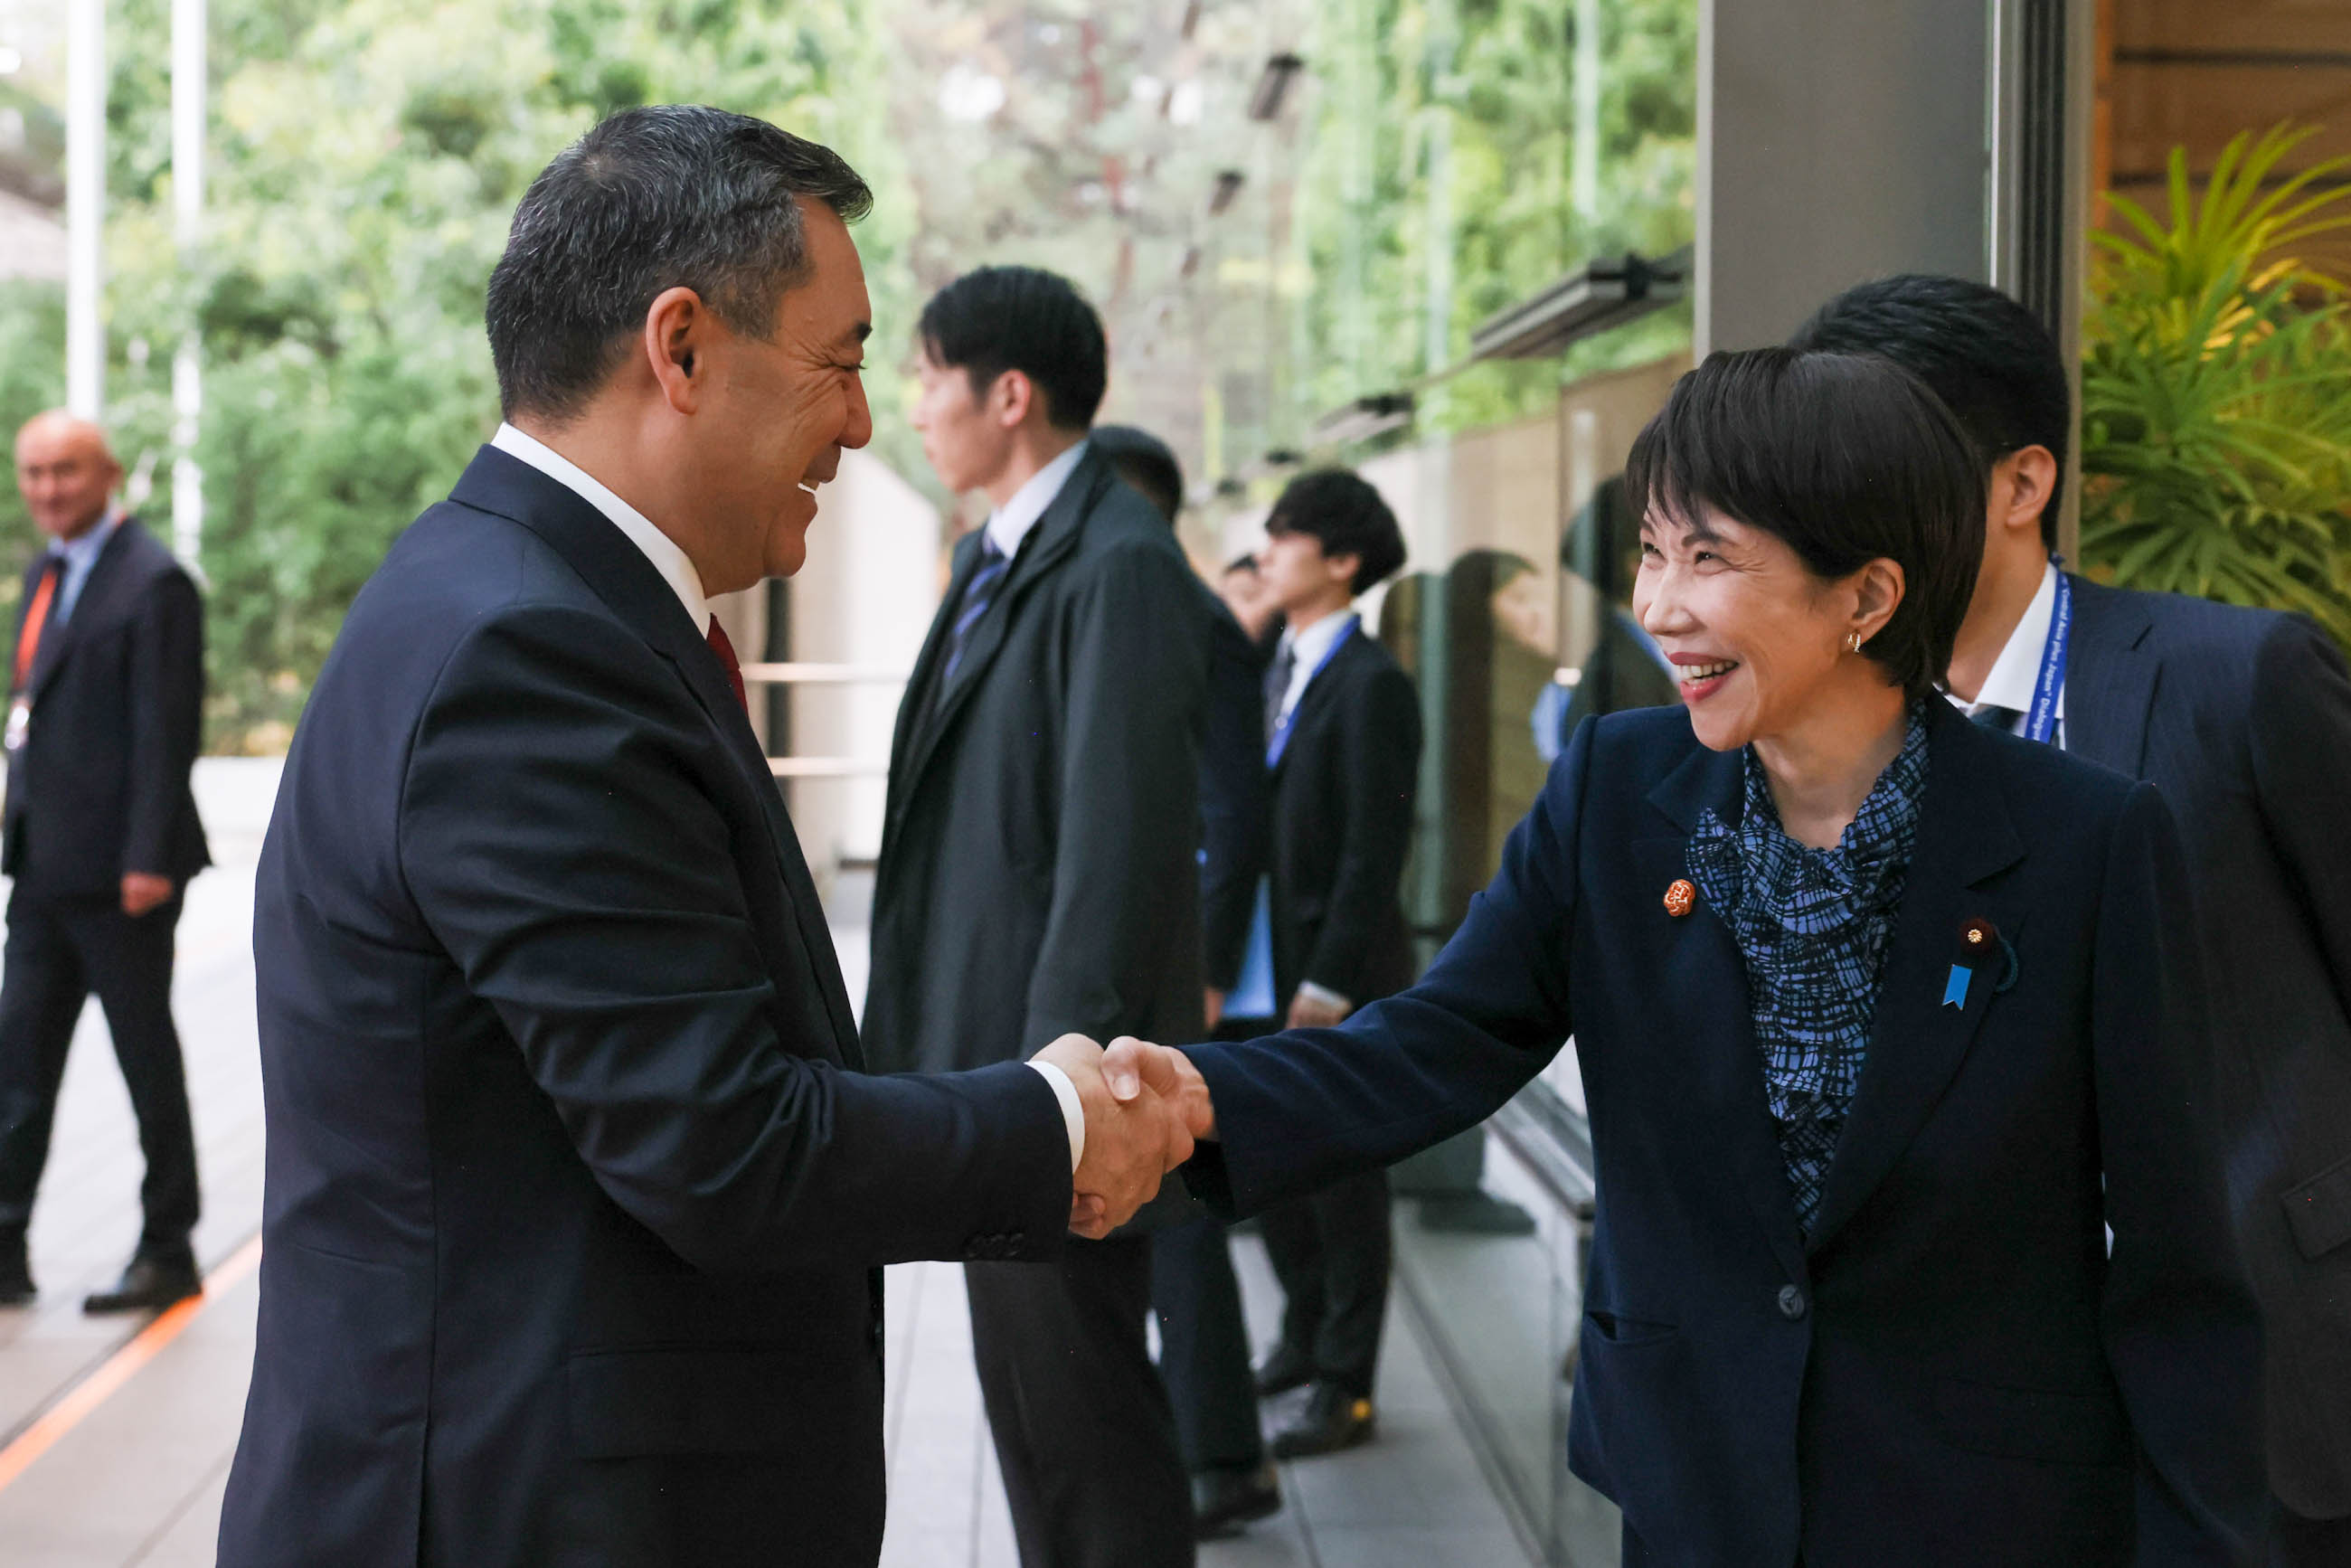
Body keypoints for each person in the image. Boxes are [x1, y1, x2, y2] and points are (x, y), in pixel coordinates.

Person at [215, 108, 1194, 1568]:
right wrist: (1053, 1122)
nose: (862, 424)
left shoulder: (531, 599)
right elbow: (722, 1141)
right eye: (841, 363)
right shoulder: (530, 654)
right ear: (679, 348)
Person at [1111, 348, 2267, 1566]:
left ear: (1867, 595)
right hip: (1698, 1484)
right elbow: (1437, 1041)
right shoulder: (1618, 787)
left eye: (1707, 558)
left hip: (1980, 1508)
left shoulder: (2084, 840)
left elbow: (2178, 1270)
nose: (1658, 605)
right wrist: (1196, 1098)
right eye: (1652, 552)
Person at [1791, 270, 2351, 1566]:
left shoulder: (2235, 678)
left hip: (2258, 1362)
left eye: (1884, 468)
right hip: (1971, 1408)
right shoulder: (1826, 738)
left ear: (2021, 482)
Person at [867, 269, 1213, 1568]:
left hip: (1053, 1090)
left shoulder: (1118, 564)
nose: (912, 407)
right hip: (997, 1075)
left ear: (1007, 394)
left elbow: (1116, 857)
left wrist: (1062, 1104)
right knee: (1035, 1412)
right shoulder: (994, 555)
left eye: (926, 376)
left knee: (1083, 1423)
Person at [1091, 423, 1285, 1539]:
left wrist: (1205, 969)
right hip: (1158, 954)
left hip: (1180, 966)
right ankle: (1212, 1450)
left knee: (1177, 1210)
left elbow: (1231, 810)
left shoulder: (1189, 617)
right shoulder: (1152, 604)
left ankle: (1218, 1456)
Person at [0, 412, 211, 1315]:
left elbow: (167, 730)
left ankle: (168, 1249)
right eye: (33, 473)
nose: (48, 489)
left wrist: (148, 860)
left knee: (145, 1066)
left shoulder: (154, 580)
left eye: (67, 471)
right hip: (44, 870)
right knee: (17, 1063)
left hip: (124, 879)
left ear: (110, 473)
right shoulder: (46, 572)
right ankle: (4, 1243)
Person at [1235, 469, 1420, 1459]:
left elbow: (1372, 851)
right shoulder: (1280, 663)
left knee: (1344, 1184)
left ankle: (1346, 1385)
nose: (1266, 549)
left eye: (1286, 533)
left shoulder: (1373, 682)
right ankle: (1301, 1341)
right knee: (1276, 1168)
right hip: (1267, 967)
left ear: (1342, 561)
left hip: (1327, 976)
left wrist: (1331, 980)